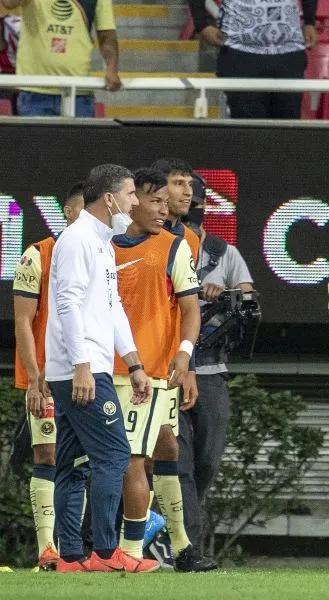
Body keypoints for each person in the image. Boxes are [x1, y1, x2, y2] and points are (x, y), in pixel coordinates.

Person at [45, 164, 158, 573]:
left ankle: (71, 557)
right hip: (83, 368)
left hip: (82, 366)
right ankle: (108, 554)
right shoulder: (78, 240)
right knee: (114, 455)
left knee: (73, 464)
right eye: (130, 194)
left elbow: (112, 309)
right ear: (109, 199)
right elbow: (67, 304)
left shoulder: (101, 242)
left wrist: (135, 363)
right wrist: (82, 366)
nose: (135, 202)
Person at [110, 168, 217, 571]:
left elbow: (190, 308)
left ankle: (180, 545)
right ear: (131, 200)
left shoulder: (175, 245)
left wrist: (185, 357)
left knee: (166, 448)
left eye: (164, 202)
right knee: (130, 458)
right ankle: (128, 552)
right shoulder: (101, 245)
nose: (163, 209)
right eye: (154, 201)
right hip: (117, 371)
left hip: (157, 369)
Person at [177, 177, 255, 549]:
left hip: (209, 367)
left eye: (195, 205)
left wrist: (224, 293)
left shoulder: (224, 253)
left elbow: (250, 302)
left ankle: (183, 526)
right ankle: (185, 543)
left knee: (207, 459)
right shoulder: (162, 247)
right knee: (176, 462)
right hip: (171, 367)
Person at [12, 182, 84, 570]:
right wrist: (34, 377)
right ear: (69, 212)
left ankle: (76, 550)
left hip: (89, 375)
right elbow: (23, 321)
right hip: (46, 377)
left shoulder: (99, 254)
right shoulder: (37, 255)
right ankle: (47, 550)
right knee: (48, 453)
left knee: (83, 461)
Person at [187, 0, 318, 119]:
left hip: (289, 52)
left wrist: (310, 21)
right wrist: (201, 24)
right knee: (248, 130)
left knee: (286, 128)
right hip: (239, 52)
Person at [0, 0, 120, 117]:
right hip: (34, 90)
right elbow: (9, 3)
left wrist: (112, 69)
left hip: (79, 91)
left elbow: (106, 35)